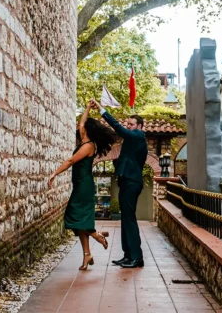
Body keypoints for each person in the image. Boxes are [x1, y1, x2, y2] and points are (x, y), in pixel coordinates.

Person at [47, 102, 115, 270]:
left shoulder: (88, 146)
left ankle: (97, 236)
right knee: (81, 221)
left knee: (73, 216)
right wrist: (87, 108)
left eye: (84, 127)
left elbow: (71, 161)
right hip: (80, 184)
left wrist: (55, 173)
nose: (80, 127)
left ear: (88, 131)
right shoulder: (85, 141)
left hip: (84, 186)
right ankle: (87, 255)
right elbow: (81, 122)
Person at [90, 98, 148, 269]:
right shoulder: (132, 141)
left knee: (129, 219)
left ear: (139, 126)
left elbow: (118, 128)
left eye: (131, 124)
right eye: (128, 124)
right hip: (127, 181)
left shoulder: (138, 136)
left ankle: (137, 258)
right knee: (126, 218)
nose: (128, 126)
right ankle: (128, 255)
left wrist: (102, 110)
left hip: (132, 182)